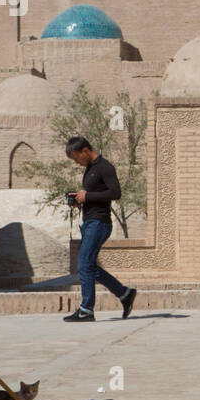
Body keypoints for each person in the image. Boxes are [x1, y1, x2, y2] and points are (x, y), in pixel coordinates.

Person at [62, 136, 137, 323]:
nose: (77, 162)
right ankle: (124, 293)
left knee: (83, 265)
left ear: (85, 151)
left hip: (99, 223)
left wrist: (87, 196)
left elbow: (115, 192)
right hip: (89, 222)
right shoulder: (90, 169)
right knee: (88, 266)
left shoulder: (105, 167)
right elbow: (95, 195)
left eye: (77, 158)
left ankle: (86, 310)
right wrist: (79, 200)